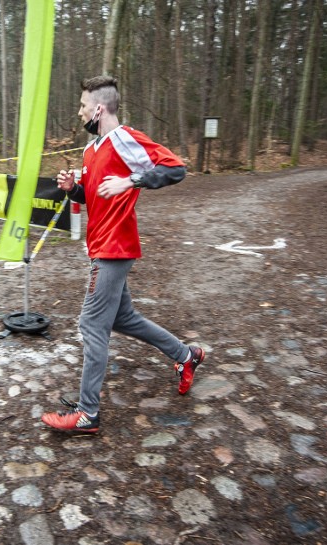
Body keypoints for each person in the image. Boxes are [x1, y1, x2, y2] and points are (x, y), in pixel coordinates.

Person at [41, 76, 206, 433]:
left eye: (84, 106)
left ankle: (87, 414)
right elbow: (92, 196)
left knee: (91, 324)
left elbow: (175, 168)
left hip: (115, 247)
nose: (80, 111)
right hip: (100, 245)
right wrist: (74, 189)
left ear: (99, 109)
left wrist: (130, 181)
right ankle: (185, 355)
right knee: (121, 318)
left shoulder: (124, 139)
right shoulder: (90, 150)